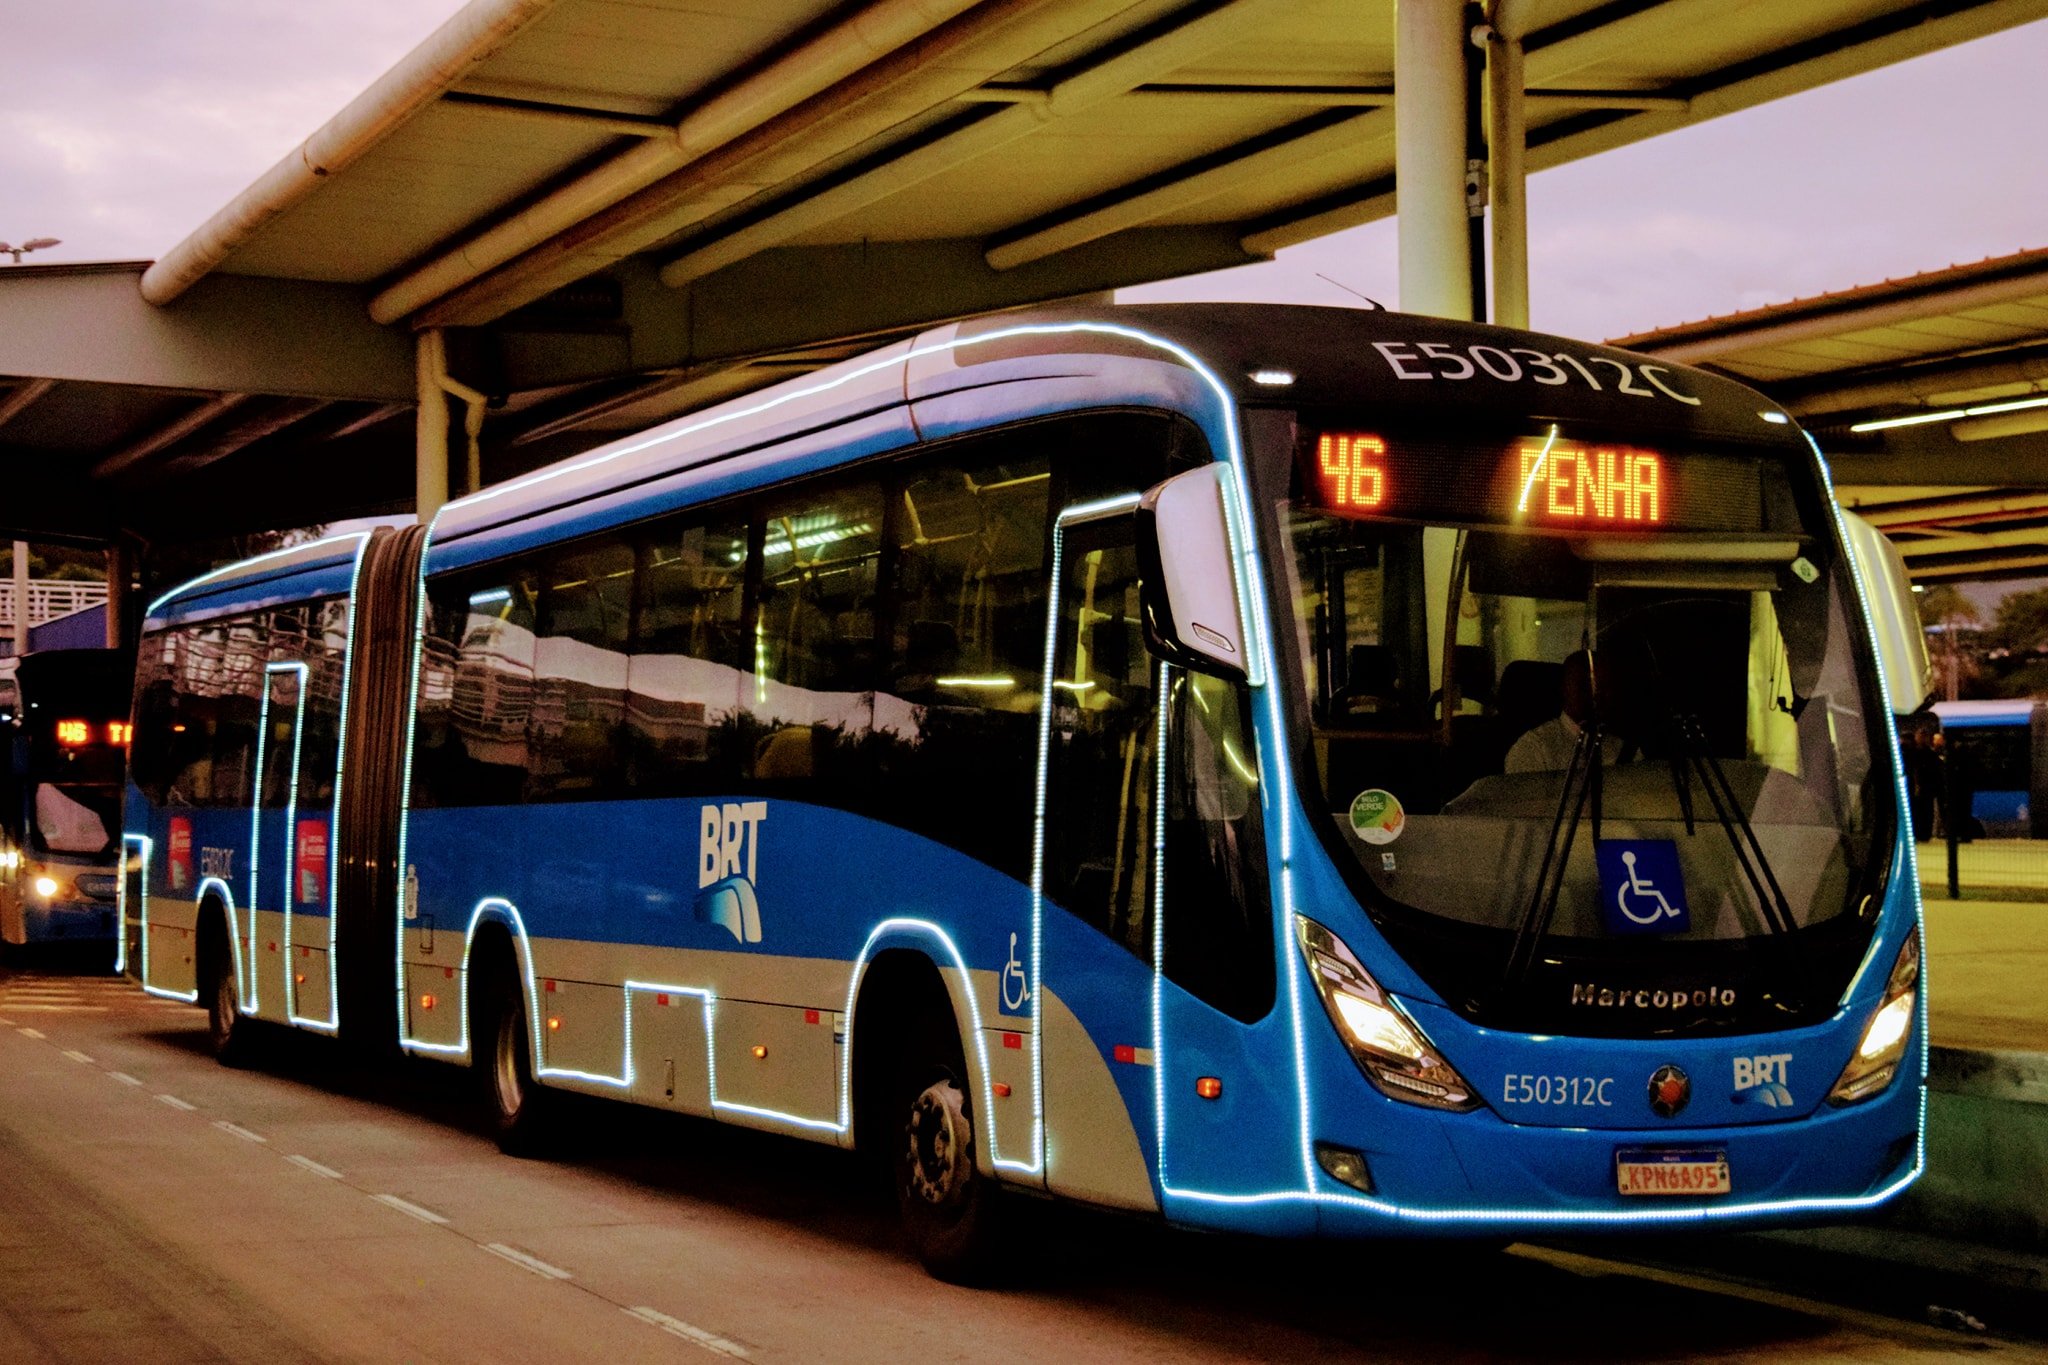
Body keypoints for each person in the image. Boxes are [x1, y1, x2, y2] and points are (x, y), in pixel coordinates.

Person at [1505, 649, 1623, 774]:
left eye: (1603, 685)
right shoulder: (1533, 748)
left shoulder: (1622, 749)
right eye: (1584, 684)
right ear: (1564, 687)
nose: (1595, 693)